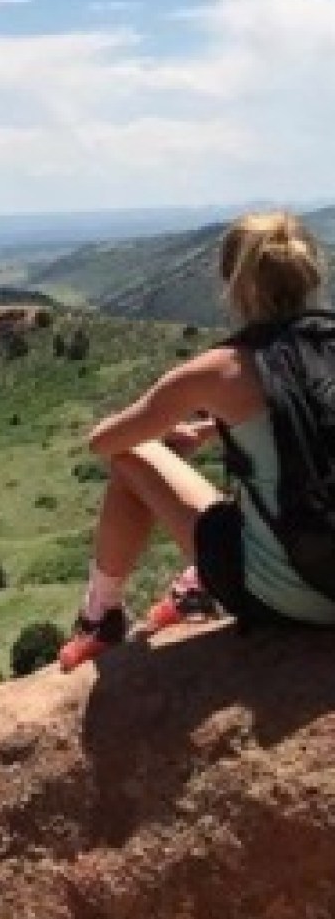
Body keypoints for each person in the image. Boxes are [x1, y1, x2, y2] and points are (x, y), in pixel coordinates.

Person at [58, 210, 335, 672]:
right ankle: (197, 585)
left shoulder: (220, 369)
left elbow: (103, 442)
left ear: (233, 283)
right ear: (311, 275)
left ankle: (99, 616)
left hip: (298, 597)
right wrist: (213, 429)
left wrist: (174, 439)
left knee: (133, 455)